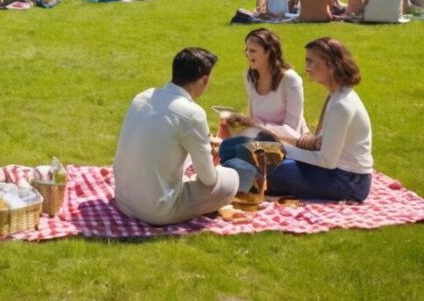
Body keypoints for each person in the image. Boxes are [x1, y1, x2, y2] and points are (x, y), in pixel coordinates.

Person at [228, 38, 372, 202]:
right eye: (306, 61)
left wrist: (282, 150)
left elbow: (327, 161)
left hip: (347, 182)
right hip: (338, 173)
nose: (307, 68)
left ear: (330, 65)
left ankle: (238, 182)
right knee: (255, 151)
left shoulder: (341, 105)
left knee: (265, 167)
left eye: (311, 62)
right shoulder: (336, 96)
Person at [113, 48, 239, 225]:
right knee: (231, 179)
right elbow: (208, 179)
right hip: (157, 210)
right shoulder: (192, 113)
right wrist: (211, 159)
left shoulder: (142, 96)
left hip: (123, 199)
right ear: (205, 79)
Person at [218, 29, 308, 169]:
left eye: (253, 51)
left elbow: (293, 131)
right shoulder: (249, 77)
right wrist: (239, 121)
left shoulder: (290, 80)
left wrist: (256, 124)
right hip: (259, 138)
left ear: (268, 52)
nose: (247, 54)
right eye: (246, 50)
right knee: (226, 147)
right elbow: (255, 119)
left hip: (286, 144)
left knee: (240, 150)